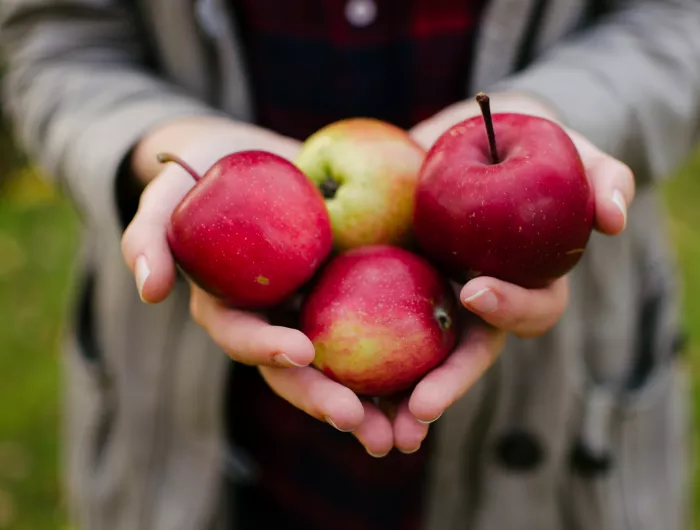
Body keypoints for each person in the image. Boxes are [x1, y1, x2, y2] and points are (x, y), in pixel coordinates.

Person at [1, 1, 698, 529]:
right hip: (208, 425)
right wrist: (157, 141)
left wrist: (559, 113)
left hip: (554, 411)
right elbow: (53, 38)